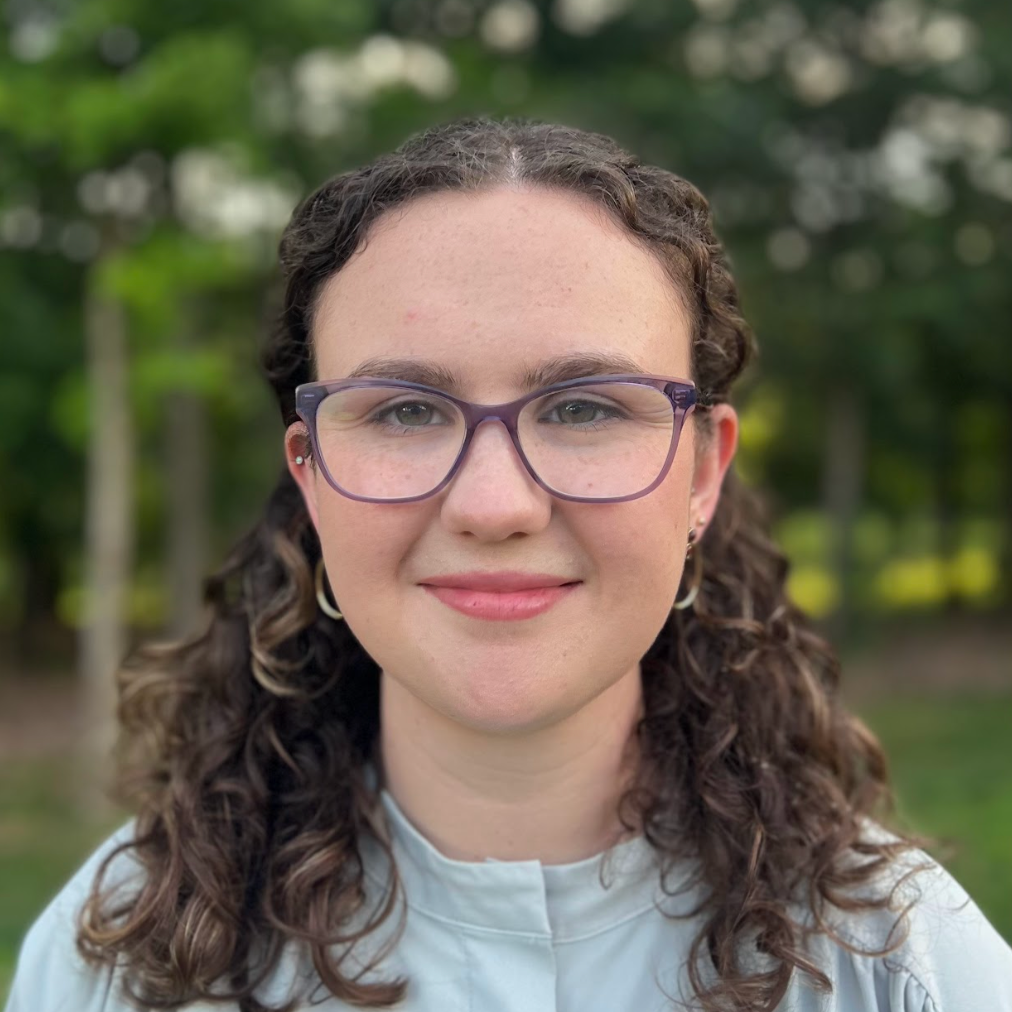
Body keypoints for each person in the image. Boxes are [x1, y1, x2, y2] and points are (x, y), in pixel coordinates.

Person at [5, 116, 1011, 1012]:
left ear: (702, 471)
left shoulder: (902, 970)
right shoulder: (116, 967)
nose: (495, 506)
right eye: (406, 410)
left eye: (584, 407)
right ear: (310, 476)